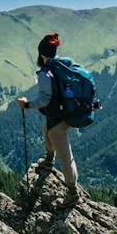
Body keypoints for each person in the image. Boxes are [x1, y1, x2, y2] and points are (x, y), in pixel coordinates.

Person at [18, 32, 80, 208]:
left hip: (58, 119)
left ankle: (72, 193)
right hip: (64, 113)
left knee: (66, 155)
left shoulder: (46, 73)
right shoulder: (61, 65)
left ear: (42, 53)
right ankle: (49, 159)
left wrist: (27, 104)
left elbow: (44, 100)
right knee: (46, 128)